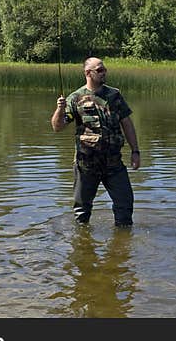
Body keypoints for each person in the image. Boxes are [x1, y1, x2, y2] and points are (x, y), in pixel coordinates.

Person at [51, 57, 140, 227]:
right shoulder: (75, 98)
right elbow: (58, 127)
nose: (104, 72)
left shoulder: (114, 95)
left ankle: (122, 243)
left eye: (104, 69)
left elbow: (127, 124)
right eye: (99, 70)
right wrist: (59, 110)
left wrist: (135, 151)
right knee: (82, 213)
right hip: (86, 165)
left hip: (114, 164)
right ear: (88, 73)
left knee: (125, 206)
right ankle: (83, 246)